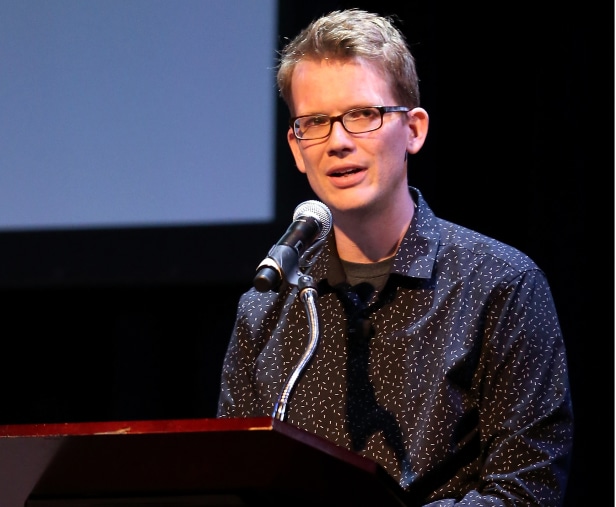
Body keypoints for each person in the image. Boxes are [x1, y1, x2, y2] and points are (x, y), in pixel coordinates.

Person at [216, 8, 574, 506]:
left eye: (363, 114)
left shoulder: (501, 285)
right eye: (315, 122)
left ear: (414, 130)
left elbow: (525, 491)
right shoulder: (267, 306)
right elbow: (232, 483)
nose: (338, 142)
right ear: (296, 149)